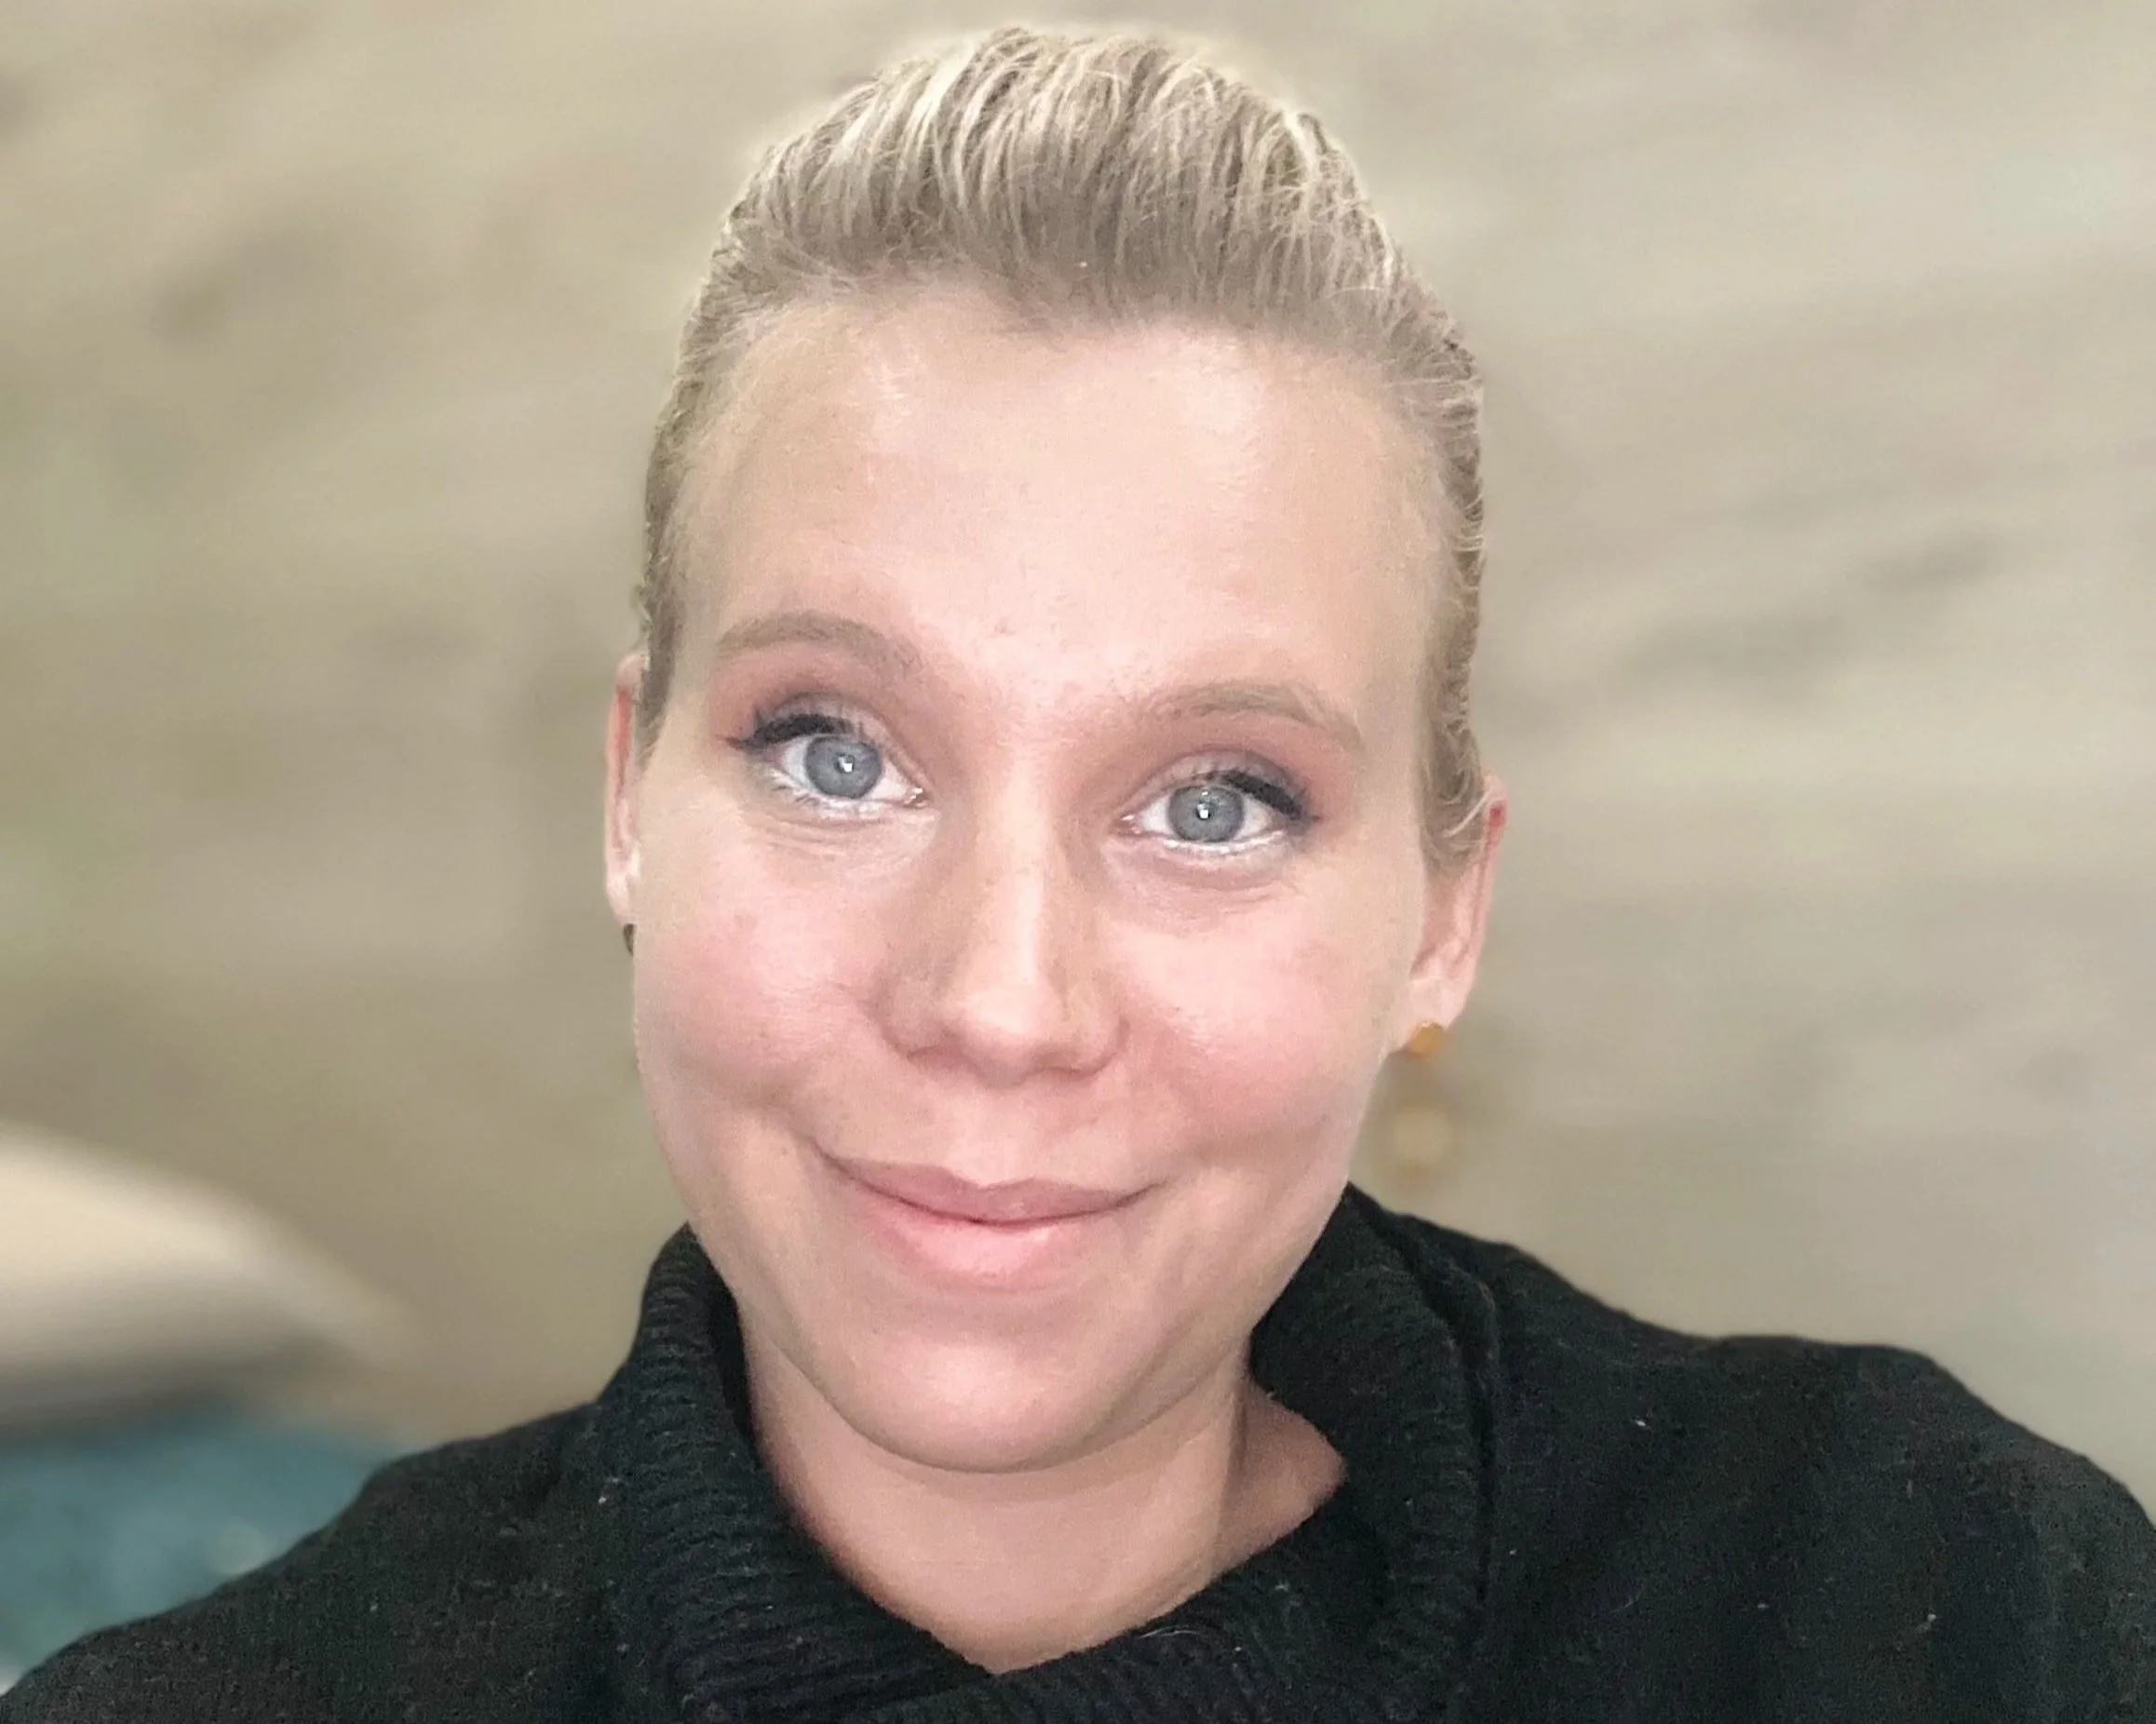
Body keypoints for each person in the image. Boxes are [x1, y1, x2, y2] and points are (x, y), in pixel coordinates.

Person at [7, 23, 2151, 1724]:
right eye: (835, 751)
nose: (1002, 1000)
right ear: (629, 801)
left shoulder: (1945, 1595)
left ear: (1446, 913)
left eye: (1217, 799)